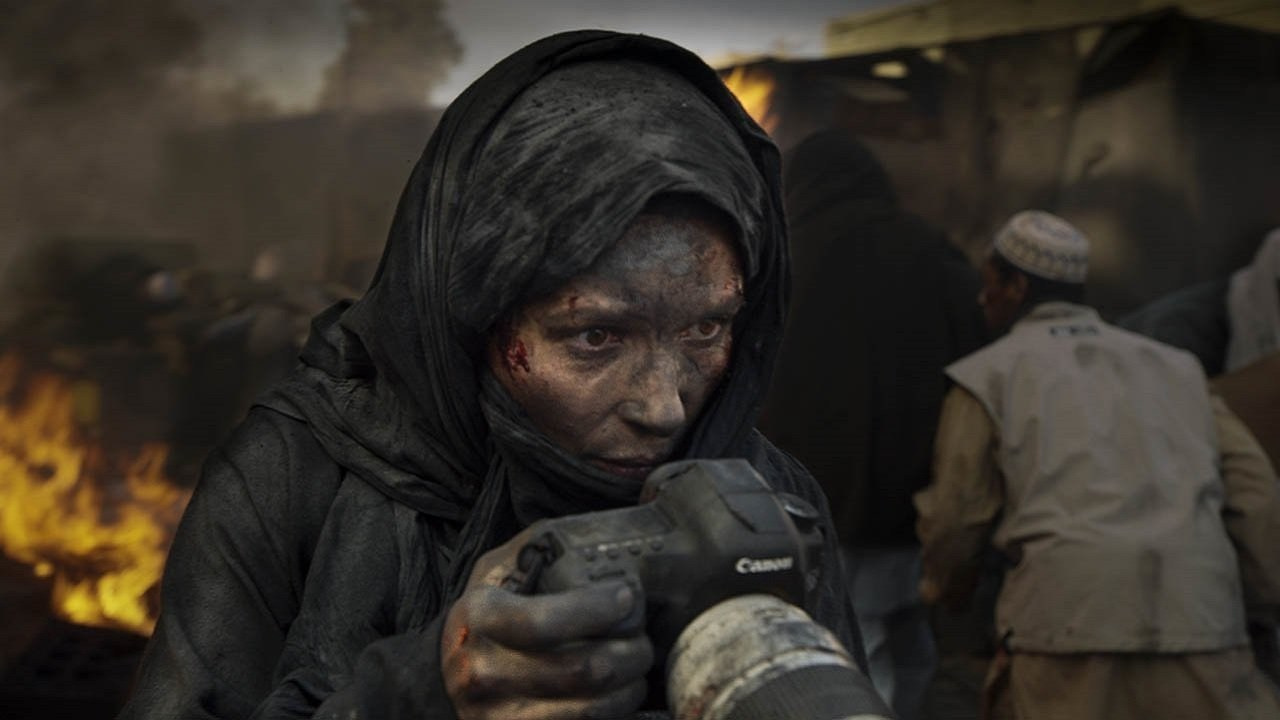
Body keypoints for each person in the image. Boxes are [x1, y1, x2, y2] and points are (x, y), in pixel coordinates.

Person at [117, 30, 863, 719]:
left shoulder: (768, 507)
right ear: (474, 318)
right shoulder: (290, 481)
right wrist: (415, 692)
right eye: (596, 335)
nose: (665, 408)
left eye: (706, 328)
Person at [914, 209, 1280, 719]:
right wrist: (1259, 606)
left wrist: (946, 592)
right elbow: (1256, 494)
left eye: (989, 283)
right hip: (1200, 623)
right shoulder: (1177, 367)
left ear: (1016, 287)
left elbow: (958, 517)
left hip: (1067, 632)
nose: (981, 298)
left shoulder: (987, 376)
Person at [760, 128, 985, 719]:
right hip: (919, 509)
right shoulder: (933, 252)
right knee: (911, 646)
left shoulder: (787, 259)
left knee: (856, 652)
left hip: (815, 508)